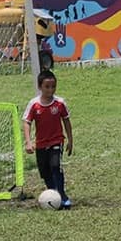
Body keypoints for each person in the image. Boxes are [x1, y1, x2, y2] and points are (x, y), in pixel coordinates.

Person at [23, 69, 73, 208]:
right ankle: (53, 195)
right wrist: (28, 142)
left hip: (56, 140)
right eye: (47, 87)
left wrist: (70, 140)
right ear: (40, 87)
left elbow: (66, 121)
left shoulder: (60, 103)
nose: (50, 90)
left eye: (53, 87)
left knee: (55, 166)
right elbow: (27, 122)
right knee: (44, 171)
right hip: (40, 144)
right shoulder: (34, 104)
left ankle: (62, 195)